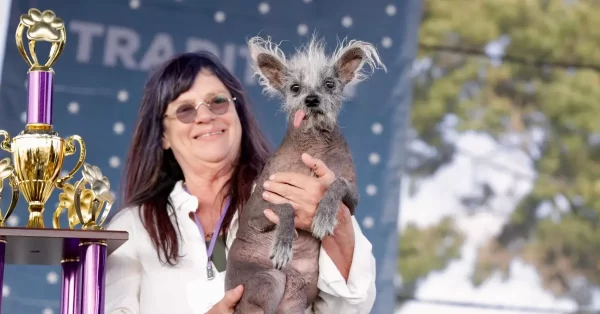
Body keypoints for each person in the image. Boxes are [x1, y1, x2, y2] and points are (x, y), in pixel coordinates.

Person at [104, 51, 376, 314]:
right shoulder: (132, 229)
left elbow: (351, 306)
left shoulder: (296, 189)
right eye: (185, 110)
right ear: (163, 135)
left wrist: (337, 219)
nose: (205, 115)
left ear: (238, 113)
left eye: (218, 101)